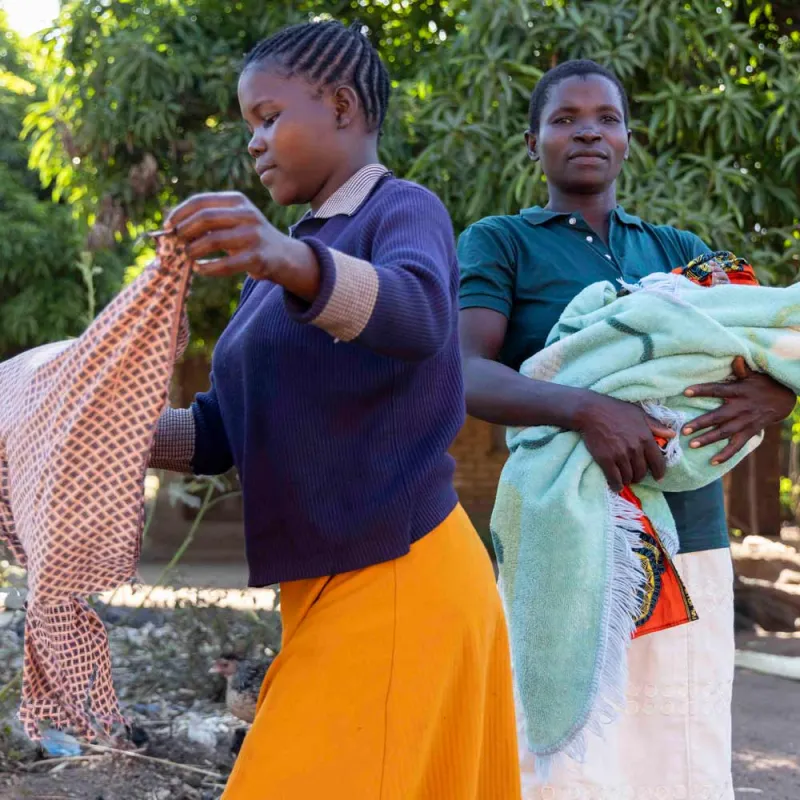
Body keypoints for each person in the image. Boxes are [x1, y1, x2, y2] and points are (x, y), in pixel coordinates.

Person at [149, 20, 521, 800]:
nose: (254, 142)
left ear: (344, 106)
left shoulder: (399, 210)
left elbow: (420, 317)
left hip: (399, 577)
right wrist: (105, 435)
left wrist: (285, 258)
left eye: (269, 117)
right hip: (330, 587)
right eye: (251, 125)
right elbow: (223, 434)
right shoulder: (278, 269)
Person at [457, 59, 796, 798]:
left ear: (627, 140)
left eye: (606, 118)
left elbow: (760, 333)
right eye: (565, 119)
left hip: (690, 529)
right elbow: (465, 372)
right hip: (568, 532)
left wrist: (777, 397)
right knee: (571, 755)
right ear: (533, 141)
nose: (587, 131)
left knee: (680, 743)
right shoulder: (502, 241)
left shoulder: (677, 249)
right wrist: (586, 409)